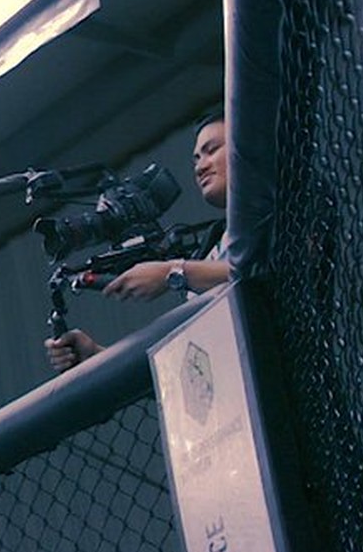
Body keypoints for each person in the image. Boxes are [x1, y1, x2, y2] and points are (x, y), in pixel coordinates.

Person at [46, 106, 233, 371]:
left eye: (212, 150)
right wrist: (97, 356)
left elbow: (265, 269)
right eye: (196, 159)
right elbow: (191, 362)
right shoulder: (212, 246)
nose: (200, 167)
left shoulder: (282, 212)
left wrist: (172, 273)